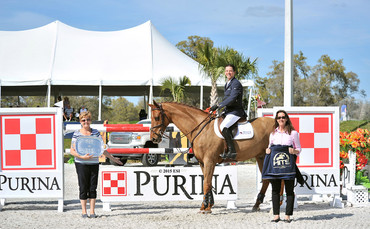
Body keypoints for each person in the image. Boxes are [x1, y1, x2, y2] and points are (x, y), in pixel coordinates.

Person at [69, 111, 123, 218]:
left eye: (88, 119)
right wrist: (82, 157)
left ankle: (92, 211)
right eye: (83, 120)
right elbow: (72, 150)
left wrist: (113, 158)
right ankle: (84, 212)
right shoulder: (77, 133)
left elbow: (101, 149)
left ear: (90, 121)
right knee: (83, 187)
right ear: (80, 121)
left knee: (93, 187)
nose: (86, 122)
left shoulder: (96, 133)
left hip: (94, 162)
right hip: (81, 163)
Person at [262, 110, 301, 223]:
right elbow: (270, 146)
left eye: (283, 117)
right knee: (275, 190)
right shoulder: (273, 134)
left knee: (289, 190)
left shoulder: (293, 133)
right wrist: (268, 150)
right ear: (276, 120)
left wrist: (293, 150)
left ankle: (288, 215)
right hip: (275, 165)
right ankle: (276, 215)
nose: (281, 119)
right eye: (279, 118)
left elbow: (299, 149)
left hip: (288, 165)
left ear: (287, 118)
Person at [209, 64, 246, 159]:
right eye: (226, 71)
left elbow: (232, 98)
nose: (228, 72)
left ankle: (232, 151)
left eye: (230, 71)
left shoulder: (236, 83)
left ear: (234, 72)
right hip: (228, 111)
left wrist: (218, 105)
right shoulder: (228, 83)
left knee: (224, 126)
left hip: (235, 112)